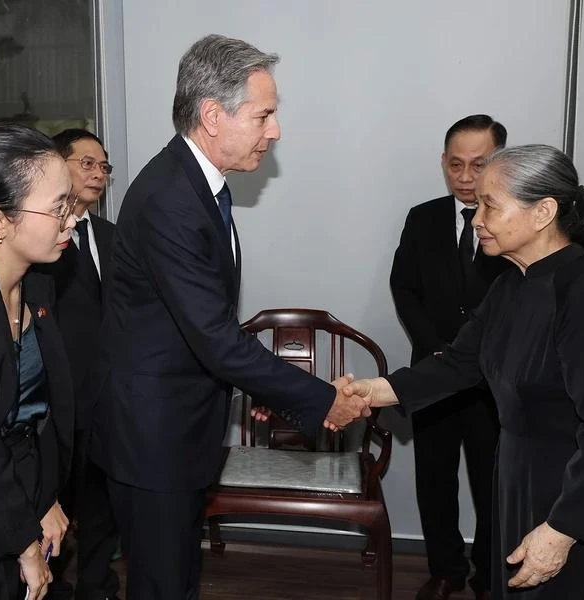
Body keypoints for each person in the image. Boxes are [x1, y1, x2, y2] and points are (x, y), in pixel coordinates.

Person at [88, 34, 369, 599]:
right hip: (154, 440)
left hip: (180, 429)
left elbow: (201, 324)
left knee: (178, 580)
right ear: (212, 115)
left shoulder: (203, 186)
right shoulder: (172, 199)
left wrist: (253, 384)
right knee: (163, 585)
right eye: (264, 114)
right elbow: (216, 339)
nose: (276, 130)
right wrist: (319, 399)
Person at [339, 144, 584, 599]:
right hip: (519, 478)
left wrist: (563, 529)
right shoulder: (512, 283)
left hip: (574, 494)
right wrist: (366, 392)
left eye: (490, 204)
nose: (476, 217)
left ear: (543, 211)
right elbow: (458, 364)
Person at [389, 114, 509, 600]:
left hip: (491, 378)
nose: (464, 177)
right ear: (443, 162)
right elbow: (404, 287)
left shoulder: (514, 218)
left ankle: (488, 571)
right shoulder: (423, 217)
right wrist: (439, 350)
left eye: (478, 165)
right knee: (433, 477)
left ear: (498, 163)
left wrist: (474, 354)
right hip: (434, 374)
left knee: (491, 481)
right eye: (455, 164)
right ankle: (445, 569)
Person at [0, 123, 77, 599]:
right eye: (56, 208)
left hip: (19, 501)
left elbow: (34, 416)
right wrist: (24, 542)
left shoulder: (40, 283)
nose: (71, 220)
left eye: (70, 203)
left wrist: (44, 498)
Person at [40, 129, 119, 600]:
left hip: (106, 392)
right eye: (85, 163)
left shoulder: (113, 236)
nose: (97, 174)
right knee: (52, 501)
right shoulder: (42, 237)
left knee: (100, 500)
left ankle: (96, 585)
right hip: (54, 395)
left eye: (103, 167)